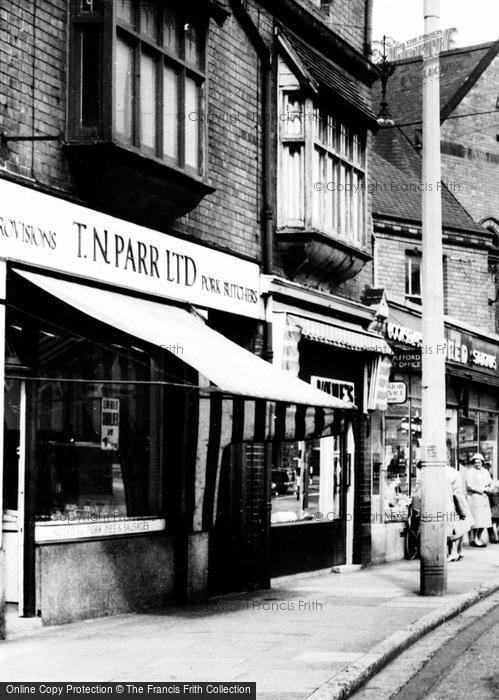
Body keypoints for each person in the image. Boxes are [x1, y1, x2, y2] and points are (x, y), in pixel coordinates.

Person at [465, 453, 492, 547]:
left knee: (484, 520)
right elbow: (469, 485)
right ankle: (474, 539)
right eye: (475, 462)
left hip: (484, 498)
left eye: (479, 462)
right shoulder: (470, 472)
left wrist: (490, 488)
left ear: (482, 462)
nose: (477, 464)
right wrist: (481, 489)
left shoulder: (485, 471)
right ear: (473, 463)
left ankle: (478, 537)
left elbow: (490, 482)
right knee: (476, 519)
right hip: (474, 497)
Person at [446, 464, 471, 561]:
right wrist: (462, 509)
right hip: (453, 504)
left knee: (454, 528)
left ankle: (454, 552)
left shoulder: (432, 472)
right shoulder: (453, 472)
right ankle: (457, 551)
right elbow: (457, 494)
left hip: (446, 505)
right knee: (458, 527)